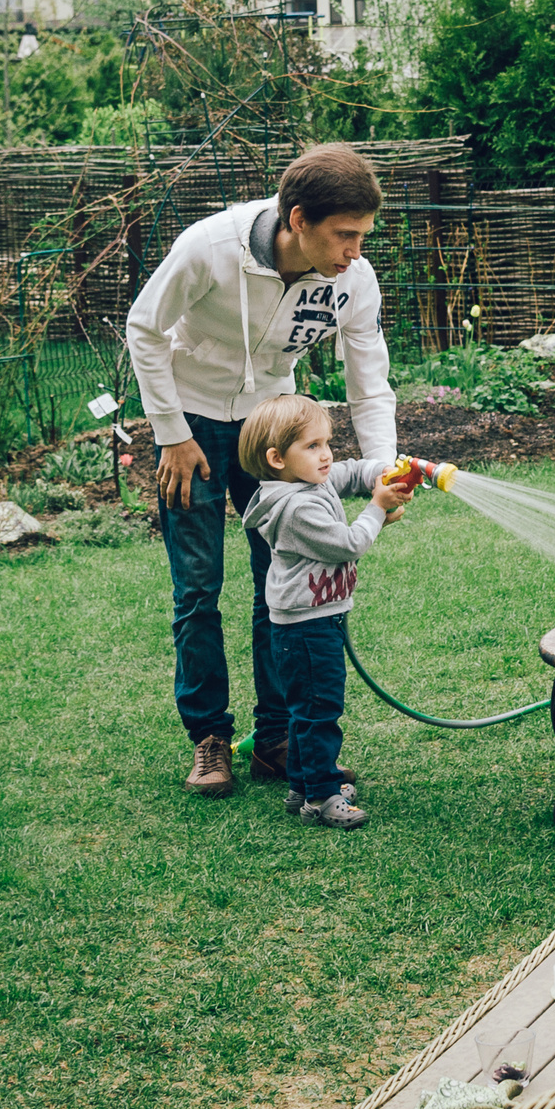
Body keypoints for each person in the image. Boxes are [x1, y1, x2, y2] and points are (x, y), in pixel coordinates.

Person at [125, 143, 398, 797]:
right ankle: (210, 739)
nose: (355, 251)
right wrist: (171, 435)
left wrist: (384, 468)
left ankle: (277, 737)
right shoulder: (209, 247)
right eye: (345, 235)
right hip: (190, 423)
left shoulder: (353, 279)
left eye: (363, 235)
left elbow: (369, 381)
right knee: (198, 588)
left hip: (271, 427)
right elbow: (145, 328)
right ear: (299, 220)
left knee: (283, 581)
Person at [238, 395, 417, 829]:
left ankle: (303, 785)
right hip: (306, 627)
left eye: (327, 443)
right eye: (313, 446)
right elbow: (349, 544)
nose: (326, 455)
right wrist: (377, 509)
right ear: (277, 458)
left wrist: (382, 472)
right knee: (319, 710)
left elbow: (351, 471)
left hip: (310, 621)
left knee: (306, 708)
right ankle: (321, 795)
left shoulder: (305, 480)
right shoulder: (297, 507)